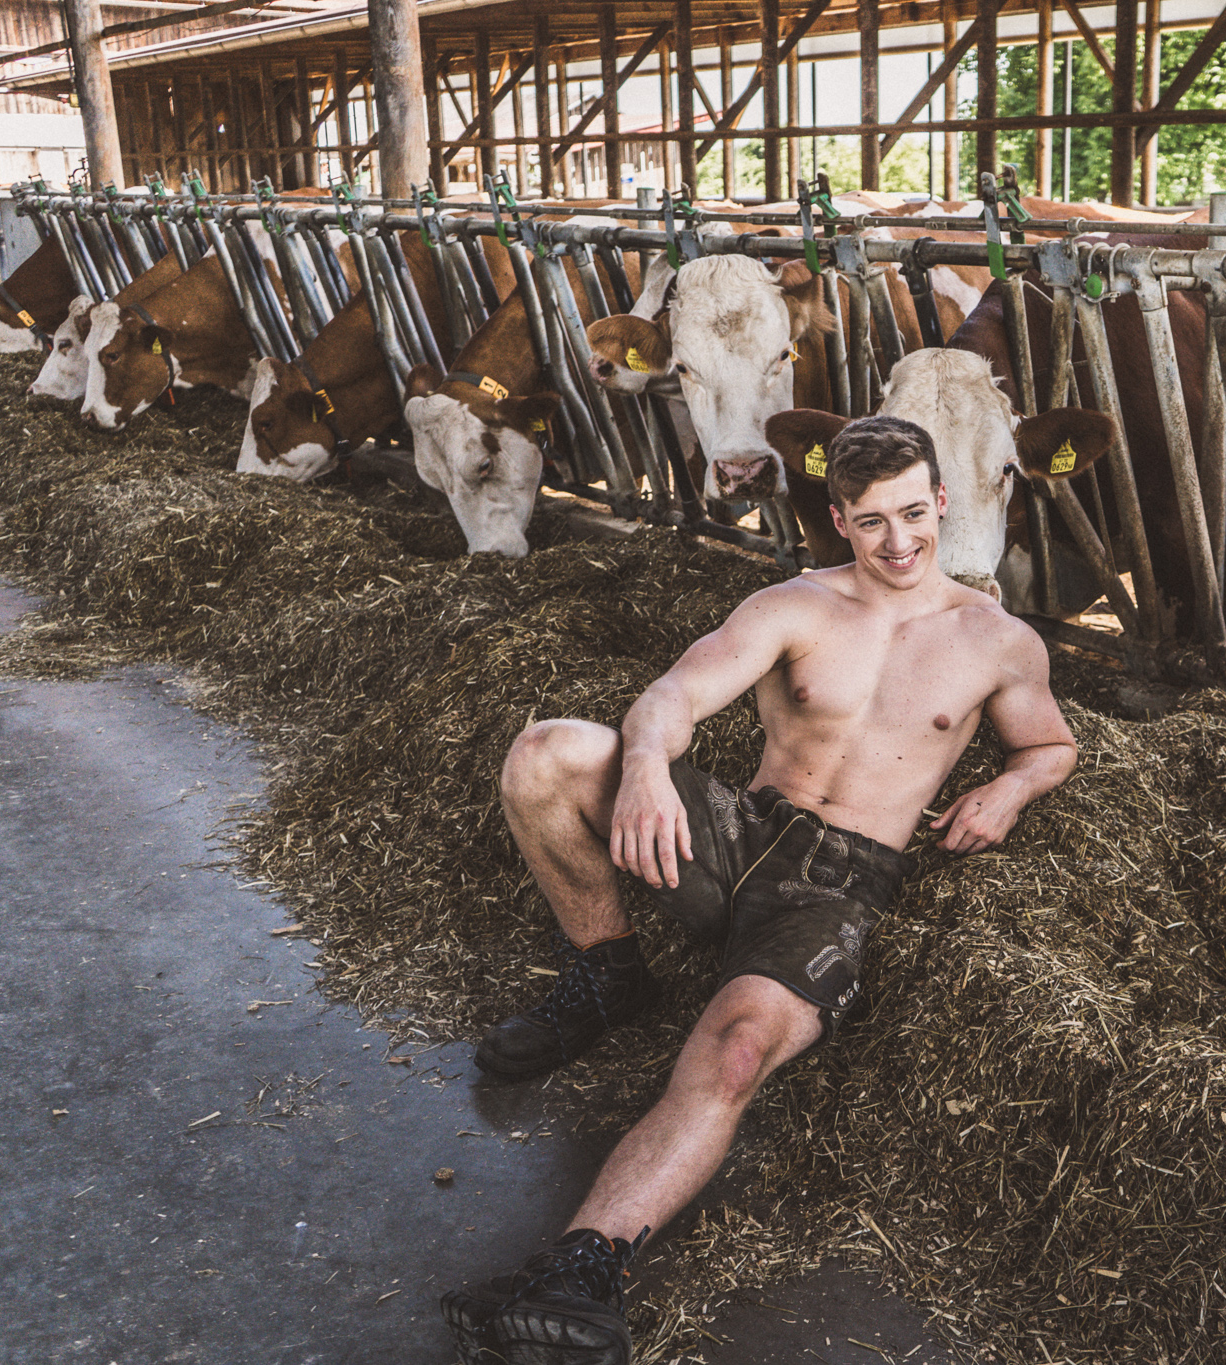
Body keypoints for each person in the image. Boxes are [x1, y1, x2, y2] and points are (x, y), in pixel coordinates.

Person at [442, 416, 1078, 1365]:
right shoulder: (795, 605)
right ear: (837, 519)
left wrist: (1010, 785)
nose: (898, 543)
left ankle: (584, 1269)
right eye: (871, 522)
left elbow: (1053, 743)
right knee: (546, 756)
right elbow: (672, 696)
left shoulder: (998, 640)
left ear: (943, 500)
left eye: (913, 514)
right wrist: (651, 765)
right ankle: (608, 971)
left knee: (737, 1050)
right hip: (737, 830)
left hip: (838, 887)